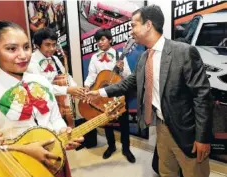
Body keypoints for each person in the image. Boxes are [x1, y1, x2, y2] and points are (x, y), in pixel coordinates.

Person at [87, 5, 213, 177]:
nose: (131, 32)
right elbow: (129, 83)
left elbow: (202, 97)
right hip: (161, 128)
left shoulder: (183, 52)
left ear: (148, 25)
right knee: (166, 172)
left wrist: (202, 138)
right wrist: (100, 93)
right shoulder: (144, 57)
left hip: (187, 132)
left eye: (133, 25)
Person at [0, 20, 83, 177]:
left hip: (53, 159)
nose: (23, 55)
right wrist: (23, 150)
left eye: (26, 47)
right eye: (12, 49)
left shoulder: (41, 81)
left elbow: (54, 118)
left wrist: (62, 130)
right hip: (14, 168)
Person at [84, 28, 135, 163]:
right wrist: (87, 85)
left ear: (110, 40)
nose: (99, 43)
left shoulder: (120, 55)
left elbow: (129, 77)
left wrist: (122, 68)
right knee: (106, 122)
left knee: (124, 123)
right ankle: (111, 146)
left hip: (119, 95)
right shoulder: (94, 58)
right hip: (102, 94)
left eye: (102, 39)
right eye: (97, 41)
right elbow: (91, 75)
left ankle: (126, 149)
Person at [27, 27, 85, 126]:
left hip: (59, 106)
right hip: (42, 109)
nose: (52, 48)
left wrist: (76, 88)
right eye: (47, 45)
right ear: (37, 45)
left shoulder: (54, 59)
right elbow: (41, 89)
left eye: (54, 45)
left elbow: (65, 76)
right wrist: (67, 90)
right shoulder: (31, 62)